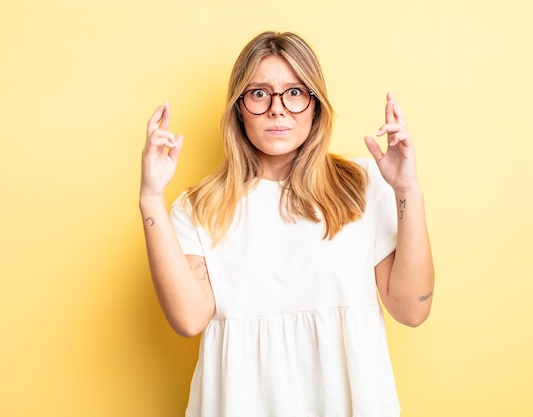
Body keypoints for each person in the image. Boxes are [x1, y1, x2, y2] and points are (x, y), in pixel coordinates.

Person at [140, 31, 434, 417]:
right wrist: (150, 197)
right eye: (259, 93)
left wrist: (406, 188)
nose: (277, 109)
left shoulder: (361, 187)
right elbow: (189, 319)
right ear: (238, 109)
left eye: (295, 92)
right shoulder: (199, 207)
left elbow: (411, 310)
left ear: (315, 105)